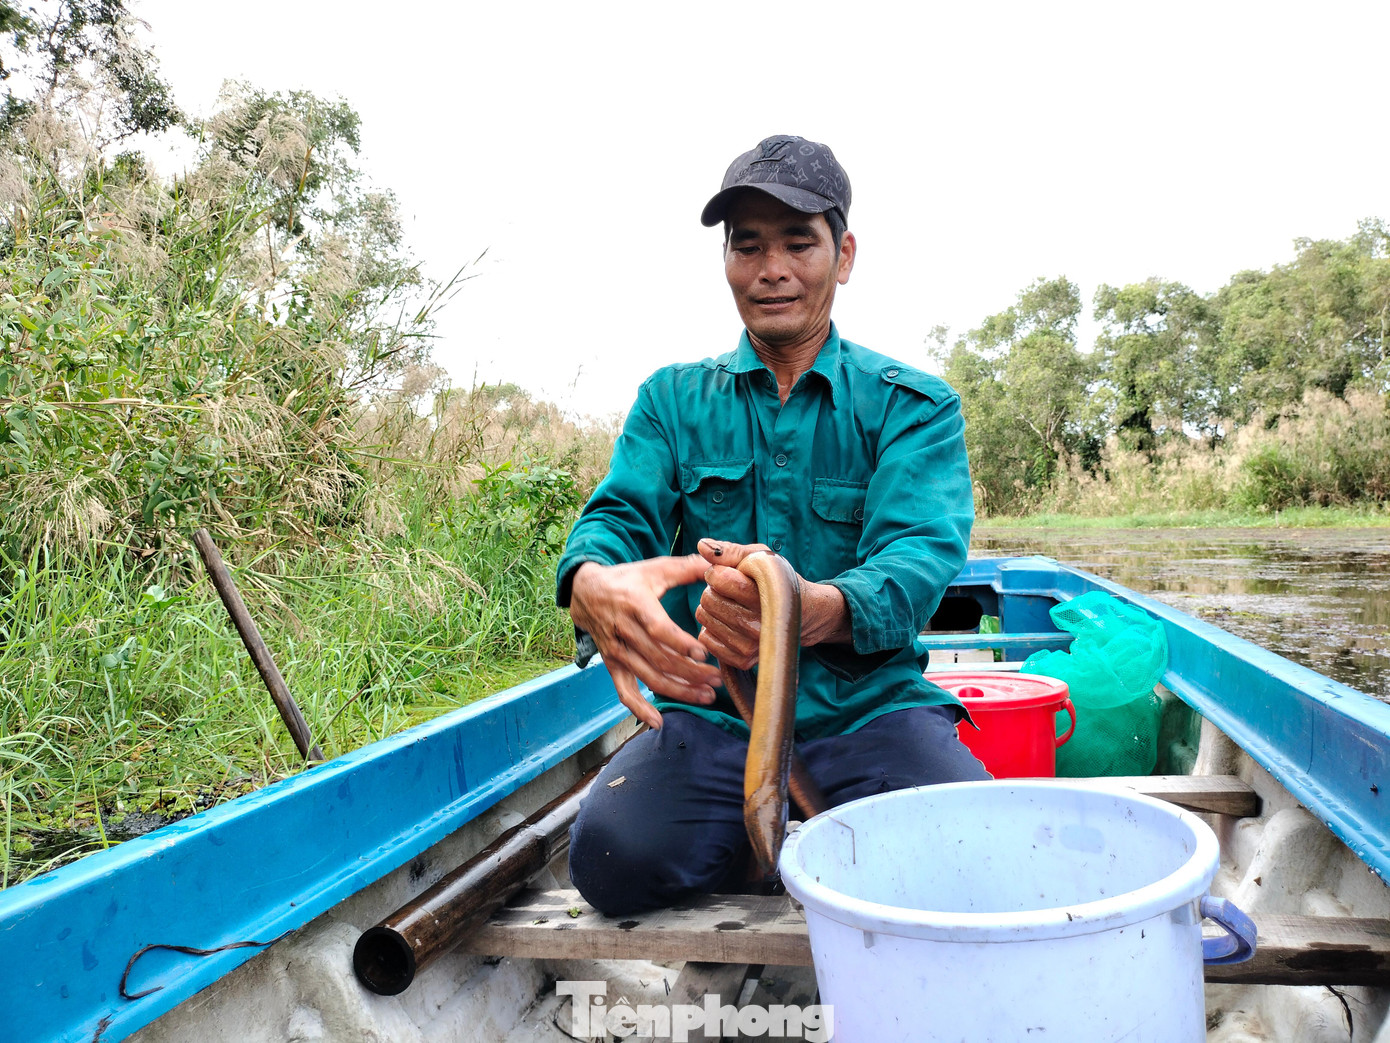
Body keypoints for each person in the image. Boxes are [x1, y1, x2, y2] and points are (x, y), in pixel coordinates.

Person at [555, 135, 988, 916]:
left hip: (869, 711)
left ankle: (789, 846)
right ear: (726, 260)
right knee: (612, 858)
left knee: (969, 850)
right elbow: (618, 518)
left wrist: (804, 606)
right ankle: (772, 854)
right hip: (715, 714)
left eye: (798, 242)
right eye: (747, 246)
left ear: (843, 253)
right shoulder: (671, 401)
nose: (772, 269)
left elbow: (915, 560)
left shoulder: (912, 406)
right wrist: (591, 581)